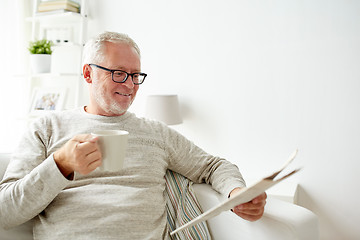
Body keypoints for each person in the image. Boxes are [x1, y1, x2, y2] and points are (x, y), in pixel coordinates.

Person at [0, 31, 266, 239]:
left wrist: (237, 193)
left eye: (135, 75)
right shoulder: (47, 128)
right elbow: (5, 212)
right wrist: (60, 165)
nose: (129, 84)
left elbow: (213, 165)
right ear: (88, 73)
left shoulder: (156, 132)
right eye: (118, 73)